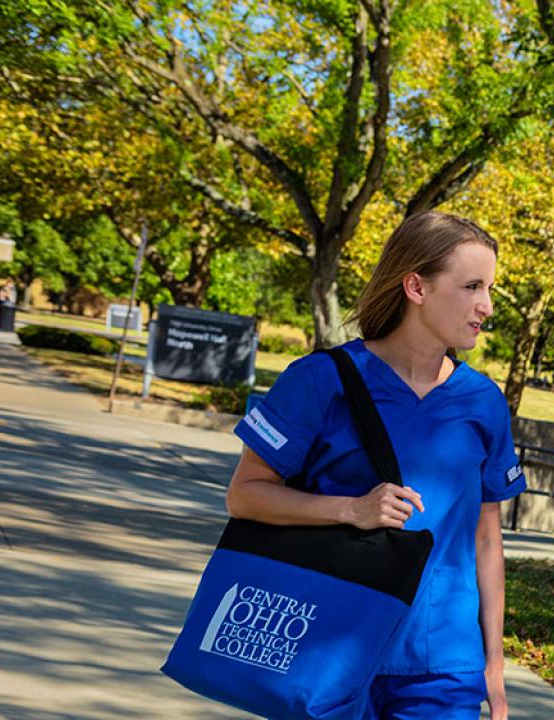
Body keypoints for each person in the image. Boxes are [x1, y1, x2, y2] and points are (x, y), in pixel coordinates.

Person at [224, 212, 525, 720]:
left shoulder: (484, 402)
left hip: (443, 663)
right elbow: (245, 494)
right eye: (472, 286)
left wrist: (493, 666)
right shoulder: (320, 380)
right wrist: (350, 509)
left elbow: (486, 539)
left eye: (489, 288)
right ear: (416, 286)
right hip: (327, 644)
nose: (486, 306)